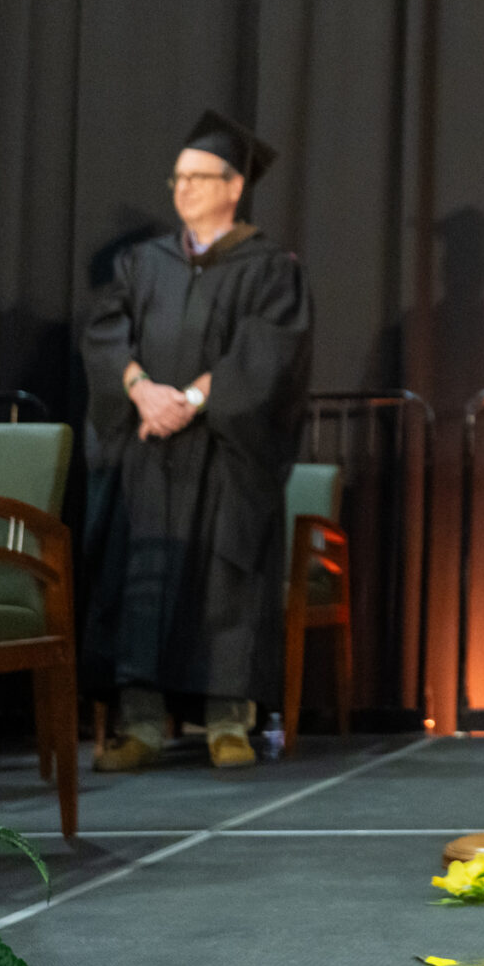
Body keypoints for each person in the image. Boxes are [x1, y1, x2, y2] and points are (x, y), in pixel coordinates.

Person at [81, 111, 312, 771]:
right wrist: (140, 390)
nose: (182, 188)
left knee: (225, 578)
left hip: (226, 453)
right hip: (148, 447)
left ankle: (228, 720)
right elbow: (104, 333)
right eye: (177, 177)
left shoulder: (271, 268)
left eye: (198, 177)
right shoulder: (141, 262)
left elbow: (267, 355)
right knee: (140, 577)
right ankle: (140, 723)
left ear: (234, 186)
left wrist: (191, 399)